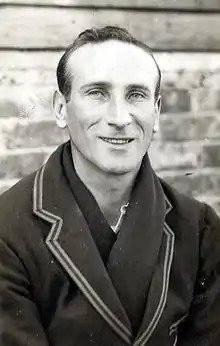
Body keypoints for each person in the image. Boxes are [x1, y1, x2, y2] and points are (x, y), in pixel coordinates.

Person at [0, 26, 220, 346]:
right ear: (61, 108)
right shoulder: (8, 228)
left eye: (136, 95)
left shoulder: (200, 228)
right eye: (97, 93)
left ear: (156, 112)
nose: (119, 117)